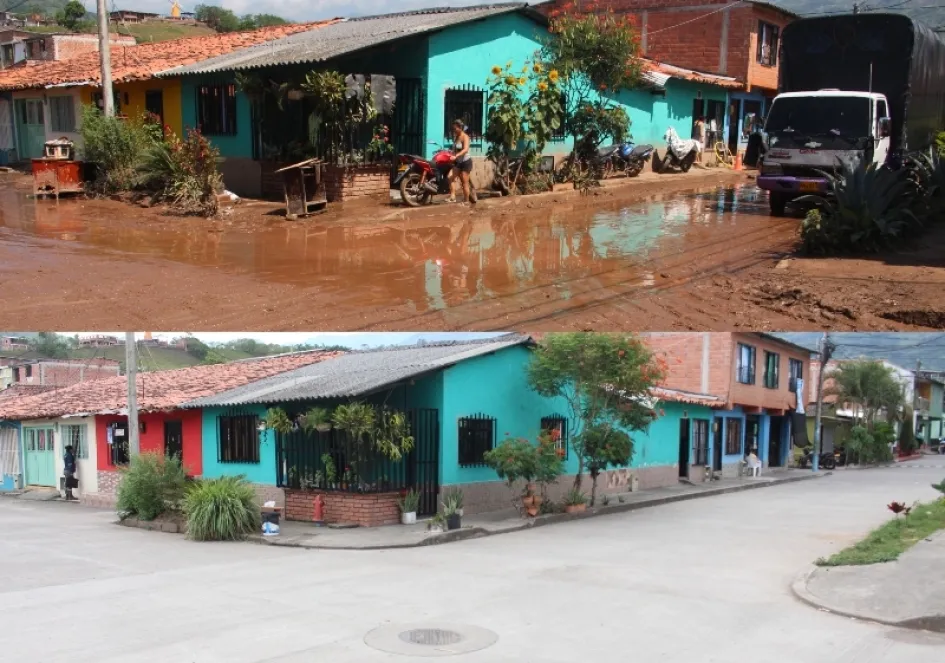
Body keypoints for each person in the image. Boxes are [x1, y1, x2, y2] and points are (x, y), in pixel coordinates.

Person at [447, 119, 477, 205]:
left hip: (466, 162)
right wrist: (449, 152)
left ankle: (466, 201)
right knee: (450, 177)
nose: (454, 130)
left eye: (455, 128)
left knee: (464, 183)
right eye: (453, 129)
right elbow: (455, 148)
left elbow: (465, 149)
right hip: (458, 162)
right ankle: (453, 197)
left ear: (460, 128)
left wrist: (456, 156)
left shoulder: (465, 137)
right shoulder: (456, 137)